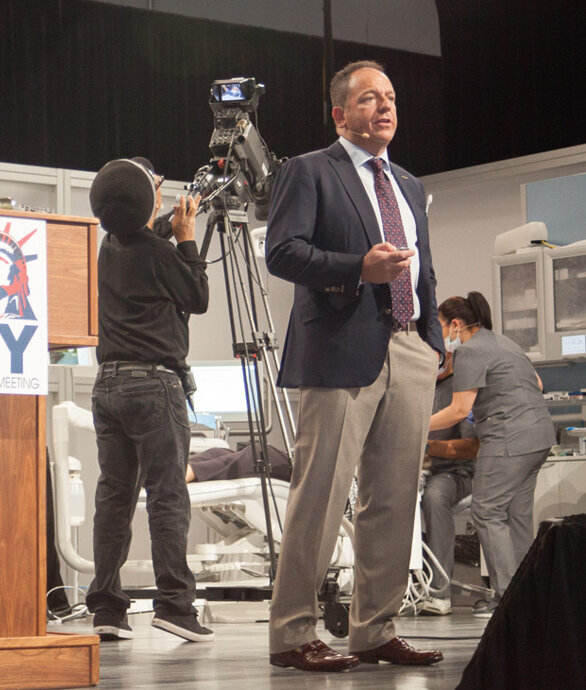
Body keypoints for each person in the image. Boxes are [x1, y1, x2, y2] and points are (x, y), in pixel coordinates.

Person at [264, 60, 445, 672]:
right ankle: (292, 633)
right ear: (340, 114)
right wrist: (355, 268)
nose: (385, 107)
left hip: (409, 349)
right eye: (370, 99)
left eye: (390, 97)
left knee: (394, 500)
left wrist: (431, 339)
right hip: (338, 349)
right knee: (319, 497)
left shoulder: (411, 186)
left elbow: (424, 268)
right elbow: (283, 252)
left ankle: (375, 629)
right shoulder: (310, 171)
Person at [85, 157, 214, 642]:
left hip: (109, 385)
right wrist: (187, 236)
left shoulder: (108, 247)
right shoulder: (163, 253)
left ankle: (107, 609)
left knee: (114, 498)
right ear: (147, 198)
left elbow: (139, 233)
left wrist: (167, 222)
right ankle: (176, 606)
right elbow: (197, 295)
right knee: (166, 495)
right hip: (155, 385)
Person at [429, 291, 555, 618]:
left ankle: (507, 600)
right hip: (539, 435)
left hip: (509, 438)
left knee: (486, 511)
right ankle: (528, 596)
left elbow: (459, 410)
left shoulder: (470, 351)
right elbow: (538, 384)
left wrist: (415, 427)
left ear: (455, 324)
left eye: (441, 327)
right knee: (515, 516)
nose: (441, 336)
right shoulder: (504, 343)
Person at [420, 354, 480, 616]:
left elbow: (471, 447)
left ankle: (438, 591)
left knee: (434, 497)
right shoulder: (420, 388)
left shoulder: (462, 390)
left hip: (455, 473)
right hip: (417, 470)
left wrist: (428, 447)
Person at [185, 444, 292, 483]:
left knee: (260, 455)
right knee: (217, 452)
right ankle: (177, 470)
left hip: (301, 472)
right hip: (297, 460)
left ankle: (189, 473)